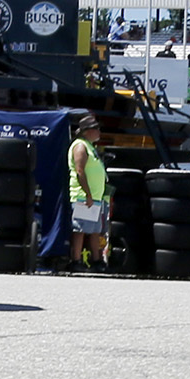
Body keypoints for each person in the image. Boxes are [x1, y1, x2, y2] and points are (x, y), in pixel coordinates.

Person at [67, 114, 110, 270]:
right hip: (83, 196)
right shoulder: (80, 146)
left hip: (95, 197)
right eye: (95, 128)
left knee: (94, 230)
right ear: (86, 131)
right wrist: (88, 195)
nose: (99, 131)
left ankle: (96, 260)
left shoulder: (90, 146)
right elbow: (80, 171)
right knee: (80, 229)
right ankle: (76, 260)